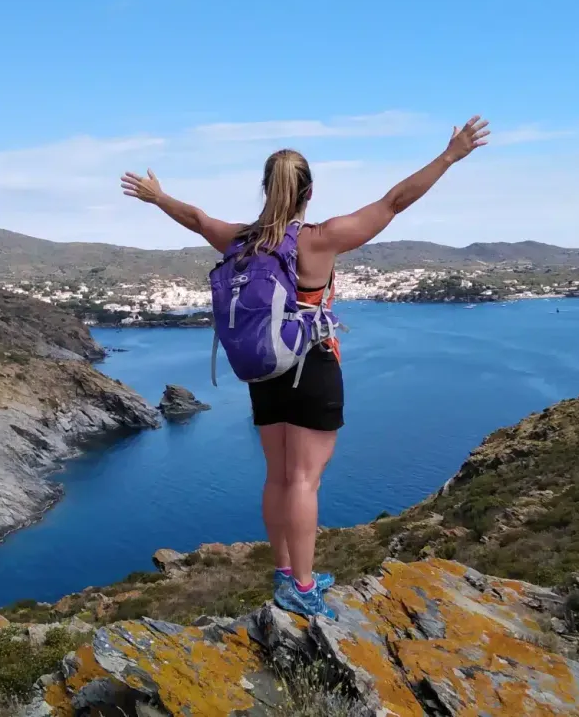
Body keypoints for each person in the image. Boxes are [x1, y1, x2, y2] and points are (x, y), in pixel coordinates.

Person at [120, 115, 490, 618]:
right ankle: (303, 584)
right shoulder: (319, 239)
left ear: (265, 189)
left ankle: (283, 574)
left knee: (278, 476)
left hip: (264, 374)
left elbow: (198, 218)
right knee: (304, 481)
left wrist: (157, 197)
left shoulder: (240, 240)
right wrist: (449, 156)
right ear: (307, 192)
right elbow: (394, 202)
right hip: (312, 367)